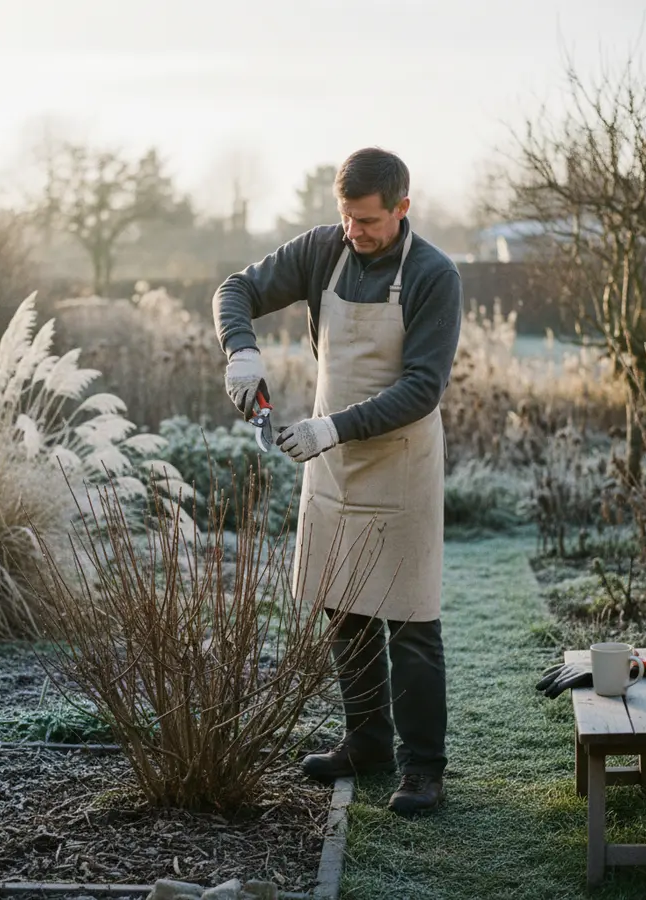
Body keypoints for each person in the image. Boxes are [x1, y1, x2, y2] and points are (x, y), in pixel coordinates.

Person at [212, 147, 462, 816]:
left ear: (403, 208)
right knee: (342, 608)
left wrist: (330, 428)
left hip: (399, 460)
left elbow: (422, 389)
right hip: (333, 465)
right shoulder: (323, 251)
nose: (356, 232)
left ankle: (424, 770)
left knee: (410, 618)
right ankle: (367, 743)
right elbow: (235, 289)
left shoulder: (435, 275)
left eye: (370, 221)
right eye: (347, 217)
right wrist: (241, 349)